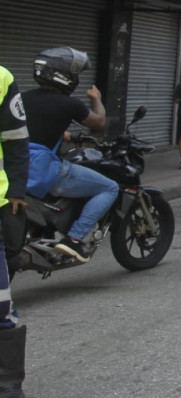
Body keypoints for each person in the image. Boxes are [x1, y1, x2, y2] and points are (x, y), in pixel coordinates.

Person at [21, 47, 116, 264]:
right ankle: (74, 239)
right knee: (109, 187)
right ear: (64, 76)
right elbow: (99, 123)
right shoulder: (69, 104)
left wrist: (64, 135)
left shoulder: (23, 98)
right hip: (43, 169)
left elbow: (35, 127)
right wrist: (97, 99)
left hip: (14, 164)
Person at [0, 66, 29, 397]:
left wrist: (17, 191)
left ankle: (7, 384)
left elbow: (16, 140)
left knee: (0, 302)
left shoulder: (2, 78)